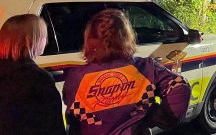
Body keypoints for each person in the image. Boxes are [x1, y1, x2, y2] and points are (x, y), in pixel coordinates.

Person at [63, 9, 191, 135]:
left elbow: (73, 115)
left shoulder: (76, 77)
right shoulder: (144, 68)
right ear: (126, 37)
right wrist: (157, 117)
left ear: (90, 39)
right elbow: (179, 86)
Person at [0, 14, 66, 135]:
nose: (46, 42)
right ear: (30, 40)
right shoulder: (38, 79)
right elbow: (53, 126)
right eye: (43, 37)